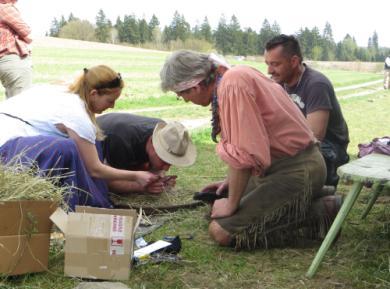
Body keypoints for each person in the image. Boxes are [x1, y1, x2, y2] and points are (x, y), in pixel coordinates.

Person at [160, 50, 341, 249]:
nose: (185, 100)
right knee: (213, 209)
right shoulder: (233, 77)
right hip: (282, 166)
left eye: (181, 95)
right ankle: (309, 195)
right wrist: (229, 183)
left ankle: (321, 211)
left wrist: (231, 204)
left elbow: (244, 152)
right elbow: (252, 140)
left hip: (296, 170)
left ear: (194, 86)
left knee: (221, 232)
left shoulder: (232, 85)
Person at [0, 65, 158, 210]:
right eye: (110, 100)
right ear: (94, 94)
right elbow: (95, 169)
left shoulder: (68, 91)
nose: (112, 106)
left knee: (91, 141)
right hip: (7, 149)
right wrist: (136, 176)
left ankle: (98, 199)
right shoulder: (76, 115)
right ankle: (87, 207)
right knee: (66, 149)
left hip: (18, 137)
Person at [264, 34, 350, 187]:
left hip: (330, 146)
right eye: (267, 64)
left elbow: (315, 136)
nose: (270, 70)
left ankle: (324, 192)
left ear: (294, 61)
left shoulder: (316, 84)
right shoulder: (278, 83)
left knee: (290, 168)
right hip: (301, 140)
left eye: (275, 64)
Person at [96, 113, 196, 194]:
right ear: (152, 143)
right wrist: (143, 187)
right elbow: (109, 182)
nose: (166, 168)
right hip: (94, 145)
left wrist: (159, 180)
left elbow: (151, 168)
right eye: (164, 160)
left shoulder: (165, 132)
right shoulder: (121, 141)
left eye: (170, 162)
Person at [0, 0, 32, 98]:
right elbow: (27, 33)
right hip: (14, 60)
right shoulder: (5, 7)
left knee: (12, 104)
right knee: (21, 105)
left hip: (4, 62)